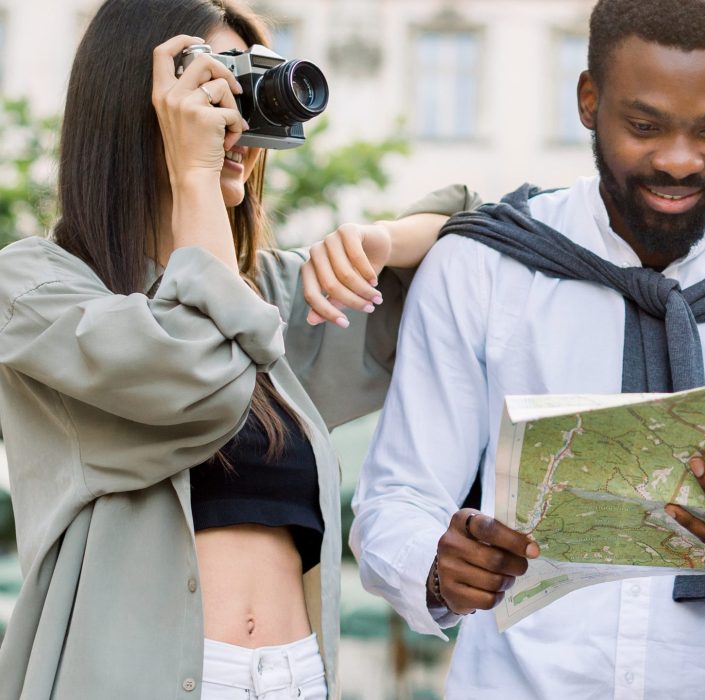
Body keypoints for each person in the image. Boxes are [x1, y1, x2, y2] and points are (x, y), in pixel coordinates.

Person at [350, 0, 705, 697]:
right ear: (589, 99)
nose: (678, 160)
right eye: (644, 126)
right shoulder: (483, 266)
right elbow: (398, 497)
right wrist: (436, 566)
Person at [0, 0, 445, 697]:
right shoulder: (34, 287)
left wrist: (382, 239)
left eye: (247, 94)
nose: (237, 124)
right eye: (210, 92)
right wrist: (195, 178)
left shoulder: (270, 291)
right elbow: (199, 381)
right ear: (134, 107)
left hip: (294, 676)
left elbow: (492, 244)